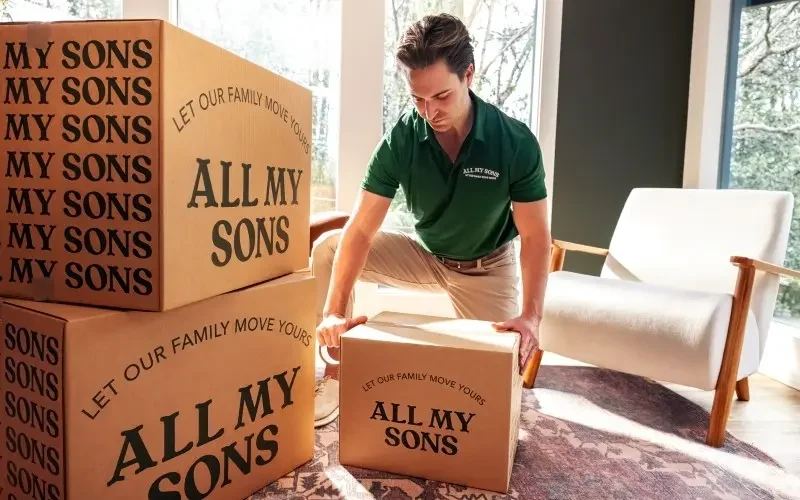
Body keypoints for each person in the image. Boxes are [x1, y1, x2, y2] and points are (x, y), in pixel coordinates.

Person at [312, 13, 551, 427]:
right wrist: (333, 312)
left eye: (441, 96)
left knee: (488, 400)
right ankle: (336, 371)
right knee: (329, 247)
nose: (430, 111)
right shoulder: (402, 140)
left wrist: (531, 317)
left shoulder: (514, 143)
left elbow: (534, 237)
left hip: (486, 267)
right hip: (427, 254)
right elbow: (362, 230)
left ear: (469, 75)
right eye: (418, 99)